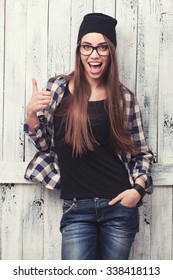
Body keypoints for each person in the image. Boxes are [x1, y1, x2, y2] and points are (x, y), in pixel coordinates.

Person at [24, 13, 153, 260]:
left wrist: (137, 189)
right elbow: (44, 145)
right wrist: (31, 114)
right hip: (76, 208)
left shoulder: (124, 98)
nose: (94, 54)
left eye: (102, 47)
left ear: (110, 52)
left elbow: (141, 154)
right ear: (79, 51)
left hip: (118, 206)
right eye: (87, 47)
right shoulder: (58, 89)